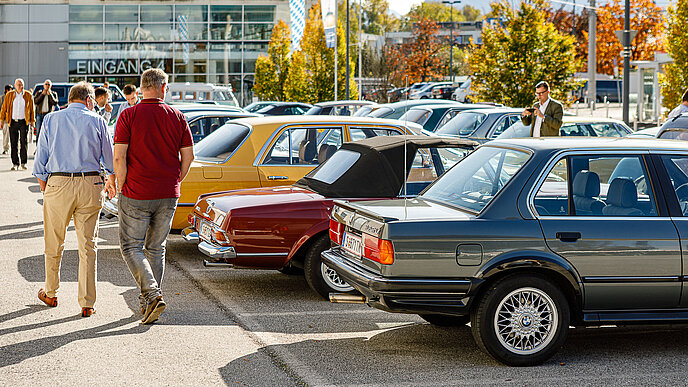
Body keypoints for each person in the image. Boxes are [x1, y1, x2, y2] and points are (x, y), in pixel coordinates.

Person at [114, 69, 194, 324]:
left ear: (141, 88)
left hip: (136, 192)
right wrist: (175, 180)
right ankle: (149, 301)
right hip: (168, 194)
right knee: (156, 248)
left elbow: (119, 157)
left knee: (130, 246)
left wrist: (121, 186)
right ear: (162, 87)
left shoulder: (129, 115)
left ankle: (151, 294)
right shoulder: (178, 116)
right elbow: (189, 156)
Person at [32, 81, 116, 317]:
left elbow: (41, 160)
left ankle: (50, 291)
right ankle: (87, 302)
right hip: (90, 183)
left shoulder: (51, 119)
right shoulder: (97, 120)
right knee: (88, 245)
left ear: (70, 99)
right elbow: (109, 162)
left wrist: (45, 187)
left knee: (53, 241)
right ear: (89, 100)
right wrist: (110, 181)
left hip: (58, 182)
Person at [0, 78, 35, 170]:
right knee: (13, 143)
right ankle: (15, 163)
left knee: (23, 142)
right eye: (18, 85)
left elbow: (32, 109)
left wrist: (32, 121)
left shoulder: (28, 95)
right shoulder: (9, 95)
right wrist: (1, 120)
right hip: (13, 122)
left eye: (22, 85)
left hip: (24, 122)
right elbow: (4, 108)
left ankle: (23, 163)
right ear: (15, 86)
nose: (20, 86)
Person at [1, 85, 12, 154]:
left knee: (15, 134)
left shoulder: (13, 97)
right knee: (5, 134)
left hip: (13, 119)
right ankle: (5, 148)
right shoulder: (2, 98)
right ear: (7, 90)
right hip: (5, 120)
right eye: (11, 89)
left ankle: (17, 148)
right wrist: (1, 120)